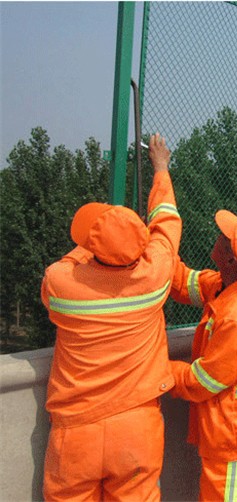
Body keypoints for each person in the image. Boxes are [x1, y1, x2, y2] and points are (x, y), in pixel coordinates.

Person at [41, 133, 181, 501]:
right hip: (137, 429)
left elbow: (68, 263)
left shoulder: (60, 285)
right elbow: (167, 223)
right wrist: (161, 168)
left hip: (76, 433)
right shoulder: (155, 277)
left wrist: (93, 244)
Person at [168, 210, 237, 502]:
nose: (218, 235)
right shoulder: (233, 285)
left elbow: (205, 381)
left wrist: (159, 370)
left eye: (225, 238)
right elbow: (186, 282)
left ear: (231, 260)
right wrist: (160, 253)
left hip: (233, 437)